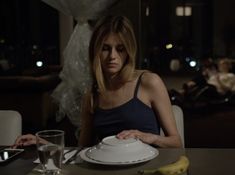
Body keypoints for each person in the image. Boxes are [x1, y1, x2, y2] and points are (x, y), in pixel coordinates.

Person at [13, 15, 182, 149]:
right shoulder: (92, 95)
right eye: (105, 48)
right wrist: (43, 143)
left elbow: (176, 143)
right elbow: (82, 150)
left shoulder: (149, 82)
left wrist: (147, 137)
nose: (112, 56)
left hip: (146, 170)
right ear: (96, 51)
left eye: (120, 49)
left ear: (129, 51)